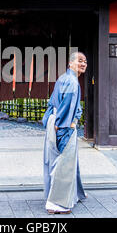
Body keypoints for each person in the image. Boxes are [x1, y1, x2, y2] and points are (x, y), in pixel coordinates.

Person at [42, 51, 87, 214]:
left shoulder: (65, 78)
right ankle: (57, 203)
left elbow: (54, 102)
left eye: (85, 62)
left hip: (56, 121)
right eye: (80, 61)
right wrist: (64, 126)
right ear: (70, 63)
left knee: (57, 161)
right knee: (63, 164)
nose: (83, 64)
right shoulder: (71, 82)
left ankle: (72, 195)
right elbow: (66, 106)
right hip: (63, 125)